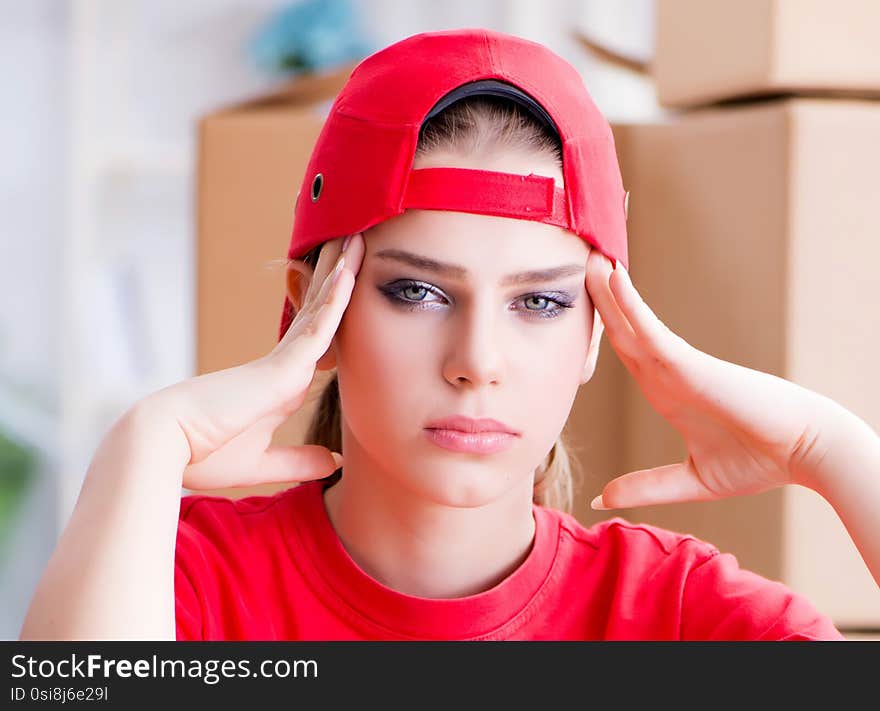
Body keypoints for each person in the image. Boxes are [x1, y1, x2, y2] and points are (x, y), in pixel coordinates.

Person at [20, 29, 880, 641]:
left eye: (539, 303)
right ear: (312, 312)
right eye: (419, 291)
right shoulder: (179, 586)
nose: (477, 362)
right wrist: (145, 441)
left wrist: (834, 448)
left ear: (593, 337)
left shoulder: (681, 618)